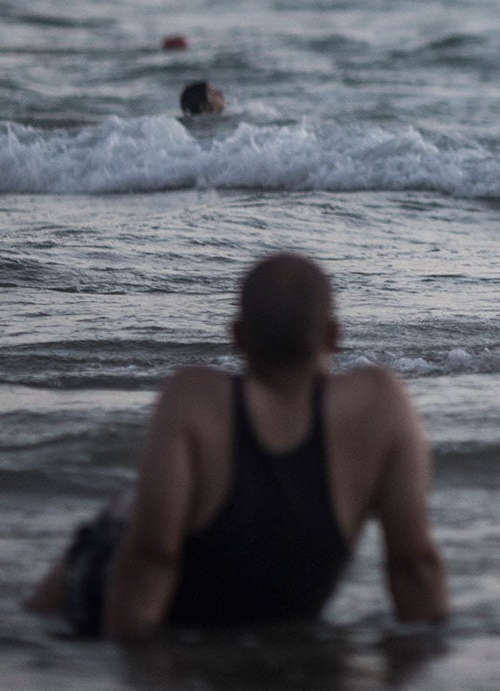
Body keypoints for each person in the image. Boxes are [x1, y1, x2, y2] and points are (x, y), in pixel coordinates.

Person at [28, 252, 448, 637]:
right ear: (334, 335)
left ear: (237, 336)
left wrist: (143, 682)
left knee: (127, 512)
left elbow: (152, 558)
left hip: (142, 596)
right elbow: (414, 565)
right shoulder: (380, 405)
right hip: (182, 589)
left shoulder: (191, 397)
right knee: (121, 517)